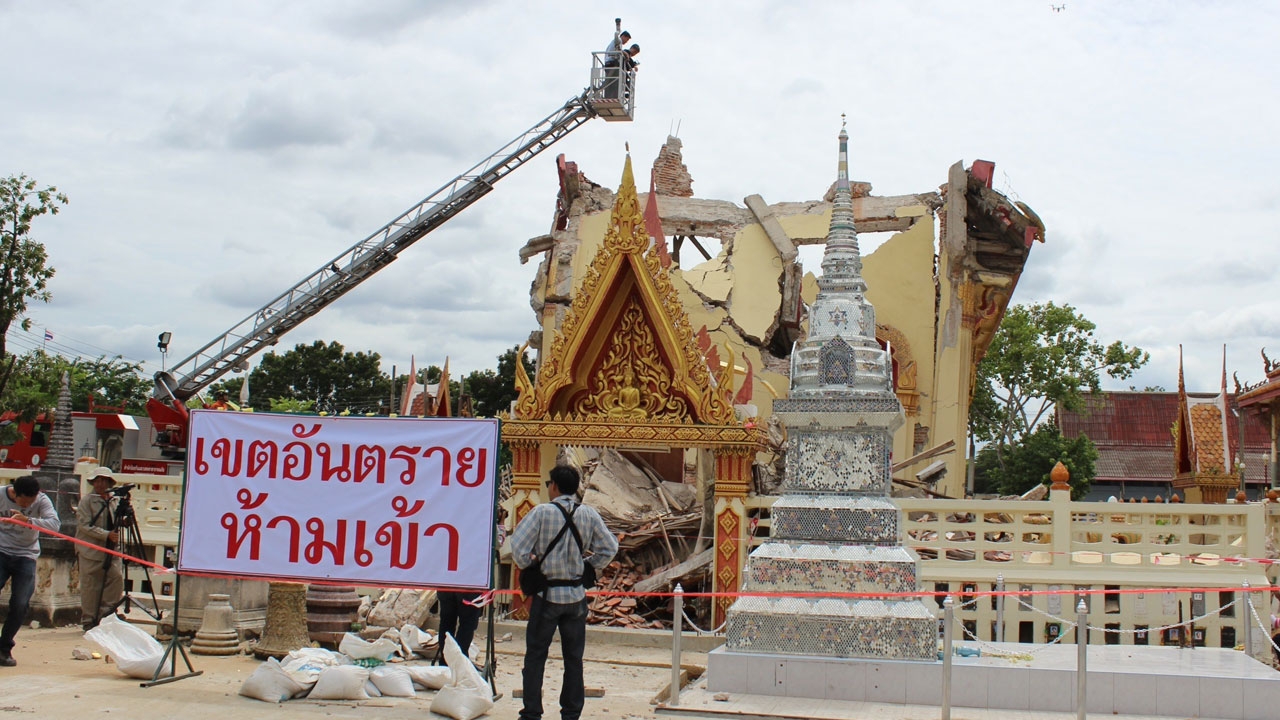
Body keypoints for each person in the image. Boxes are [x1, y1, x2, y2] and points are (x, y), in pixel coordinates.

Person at [511, 465, 617, 720]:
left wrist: (533, 561)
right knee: (574, 659)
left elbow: (517, 549)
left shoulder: (541, 513)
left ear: (554, 485)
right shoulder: (589, 514)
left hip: (546, 596)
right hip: (576, 596)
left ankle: (532, 712)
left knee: (535, 657)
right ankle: (571, 713)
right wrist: (588, 565)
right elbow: (610, 548)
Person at [0, 475, 60, 667]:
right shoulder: (0, 494)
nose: (26, 505)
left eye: (30, 502)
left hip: (26, 555)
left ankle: (4, 648)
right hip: (1, 550)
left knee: (20, 603)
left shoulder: (42, 500)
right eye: (22, 502)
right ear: (14, 493)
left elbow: (55, 525)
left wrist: (28, 520)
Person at [76, 467, 123, 630]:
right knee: (90, 585)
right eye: (97, 480)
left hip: (111, 548)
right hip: (91, 550)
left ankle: (107, 613)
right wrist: (106, 535)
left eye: (103, 480)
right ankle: (89, 619)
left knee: (116, 578)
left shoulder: (114, 499)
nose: (100, 484)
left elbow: (118, 519)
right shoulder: (87, 501)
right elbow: (84, 526)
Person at [435, 589, 482, 666]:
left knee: (446, 624)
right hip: (470, 588)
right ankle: (459, 663)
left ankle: (445, 662)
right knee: (467, 624)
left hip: (447, 585)